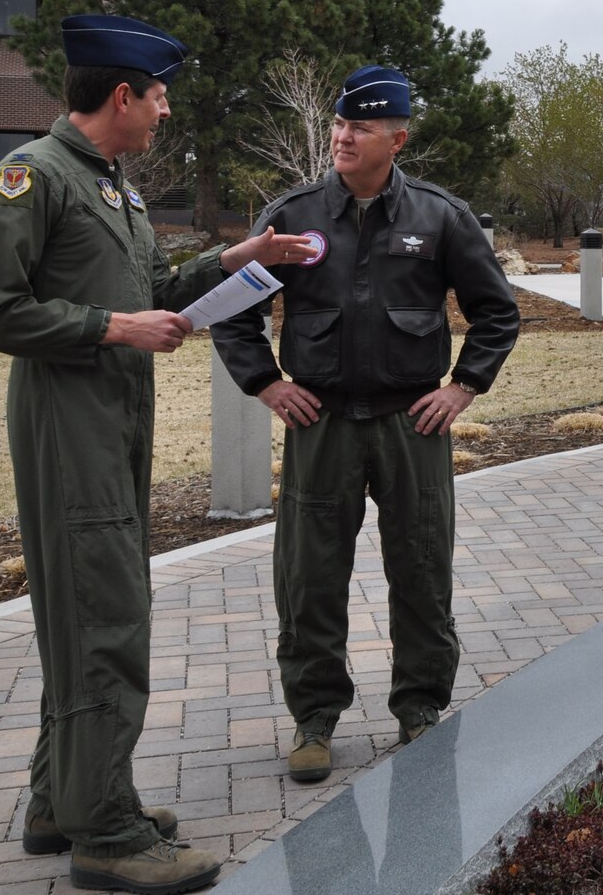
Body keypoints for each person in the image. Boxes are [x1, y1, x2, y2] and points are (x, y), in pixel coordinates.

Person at [0, 14, 316, 893]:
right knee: (106, 619)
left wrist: (244, 257)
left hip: (114, 421)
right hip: (68, 424)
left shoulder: (109, 185)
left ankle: (63, 800)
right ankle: (107, 833)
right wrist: (113, 327)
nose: (164, 113)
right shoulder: (31, 178)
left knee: (88, 616)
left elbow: (153, 290)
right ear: (121, 95)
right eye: (158, 98)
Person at [212, 65, 519, 785]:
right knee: (310, 578)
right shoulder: (290, 215)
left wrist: (463, 389)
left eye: (360, 128)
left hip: (411, 425)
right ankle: (314, 719)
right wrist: (266, 383)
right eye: (340, 126)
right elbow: (234, 308)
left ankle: (419, 710)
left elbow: (497, 313)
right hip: (320, 425)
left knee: (420, 571)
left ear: (397, 139)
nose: (343, 138)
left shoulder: (441, 217)